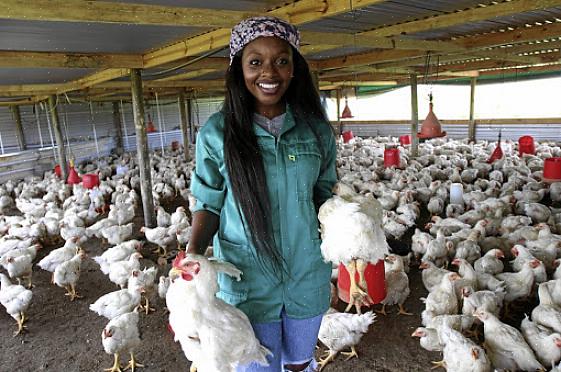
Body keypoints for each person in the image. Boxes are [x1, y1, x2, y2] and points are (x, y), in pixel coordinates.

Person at [187, 16, 337, 372]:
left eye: (281, 61)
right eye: (255, 62)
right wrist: (193, 255)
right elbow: (208, 202)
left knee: (300, 363)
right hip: (248, 278)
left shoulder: (315, 130)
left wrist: (352, 224)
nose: (268, 72)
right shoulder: (217, 133)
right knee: (255, 368)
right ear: (238, 68)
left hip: (306, 270)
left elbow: (326, 195)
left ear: (294, 68)